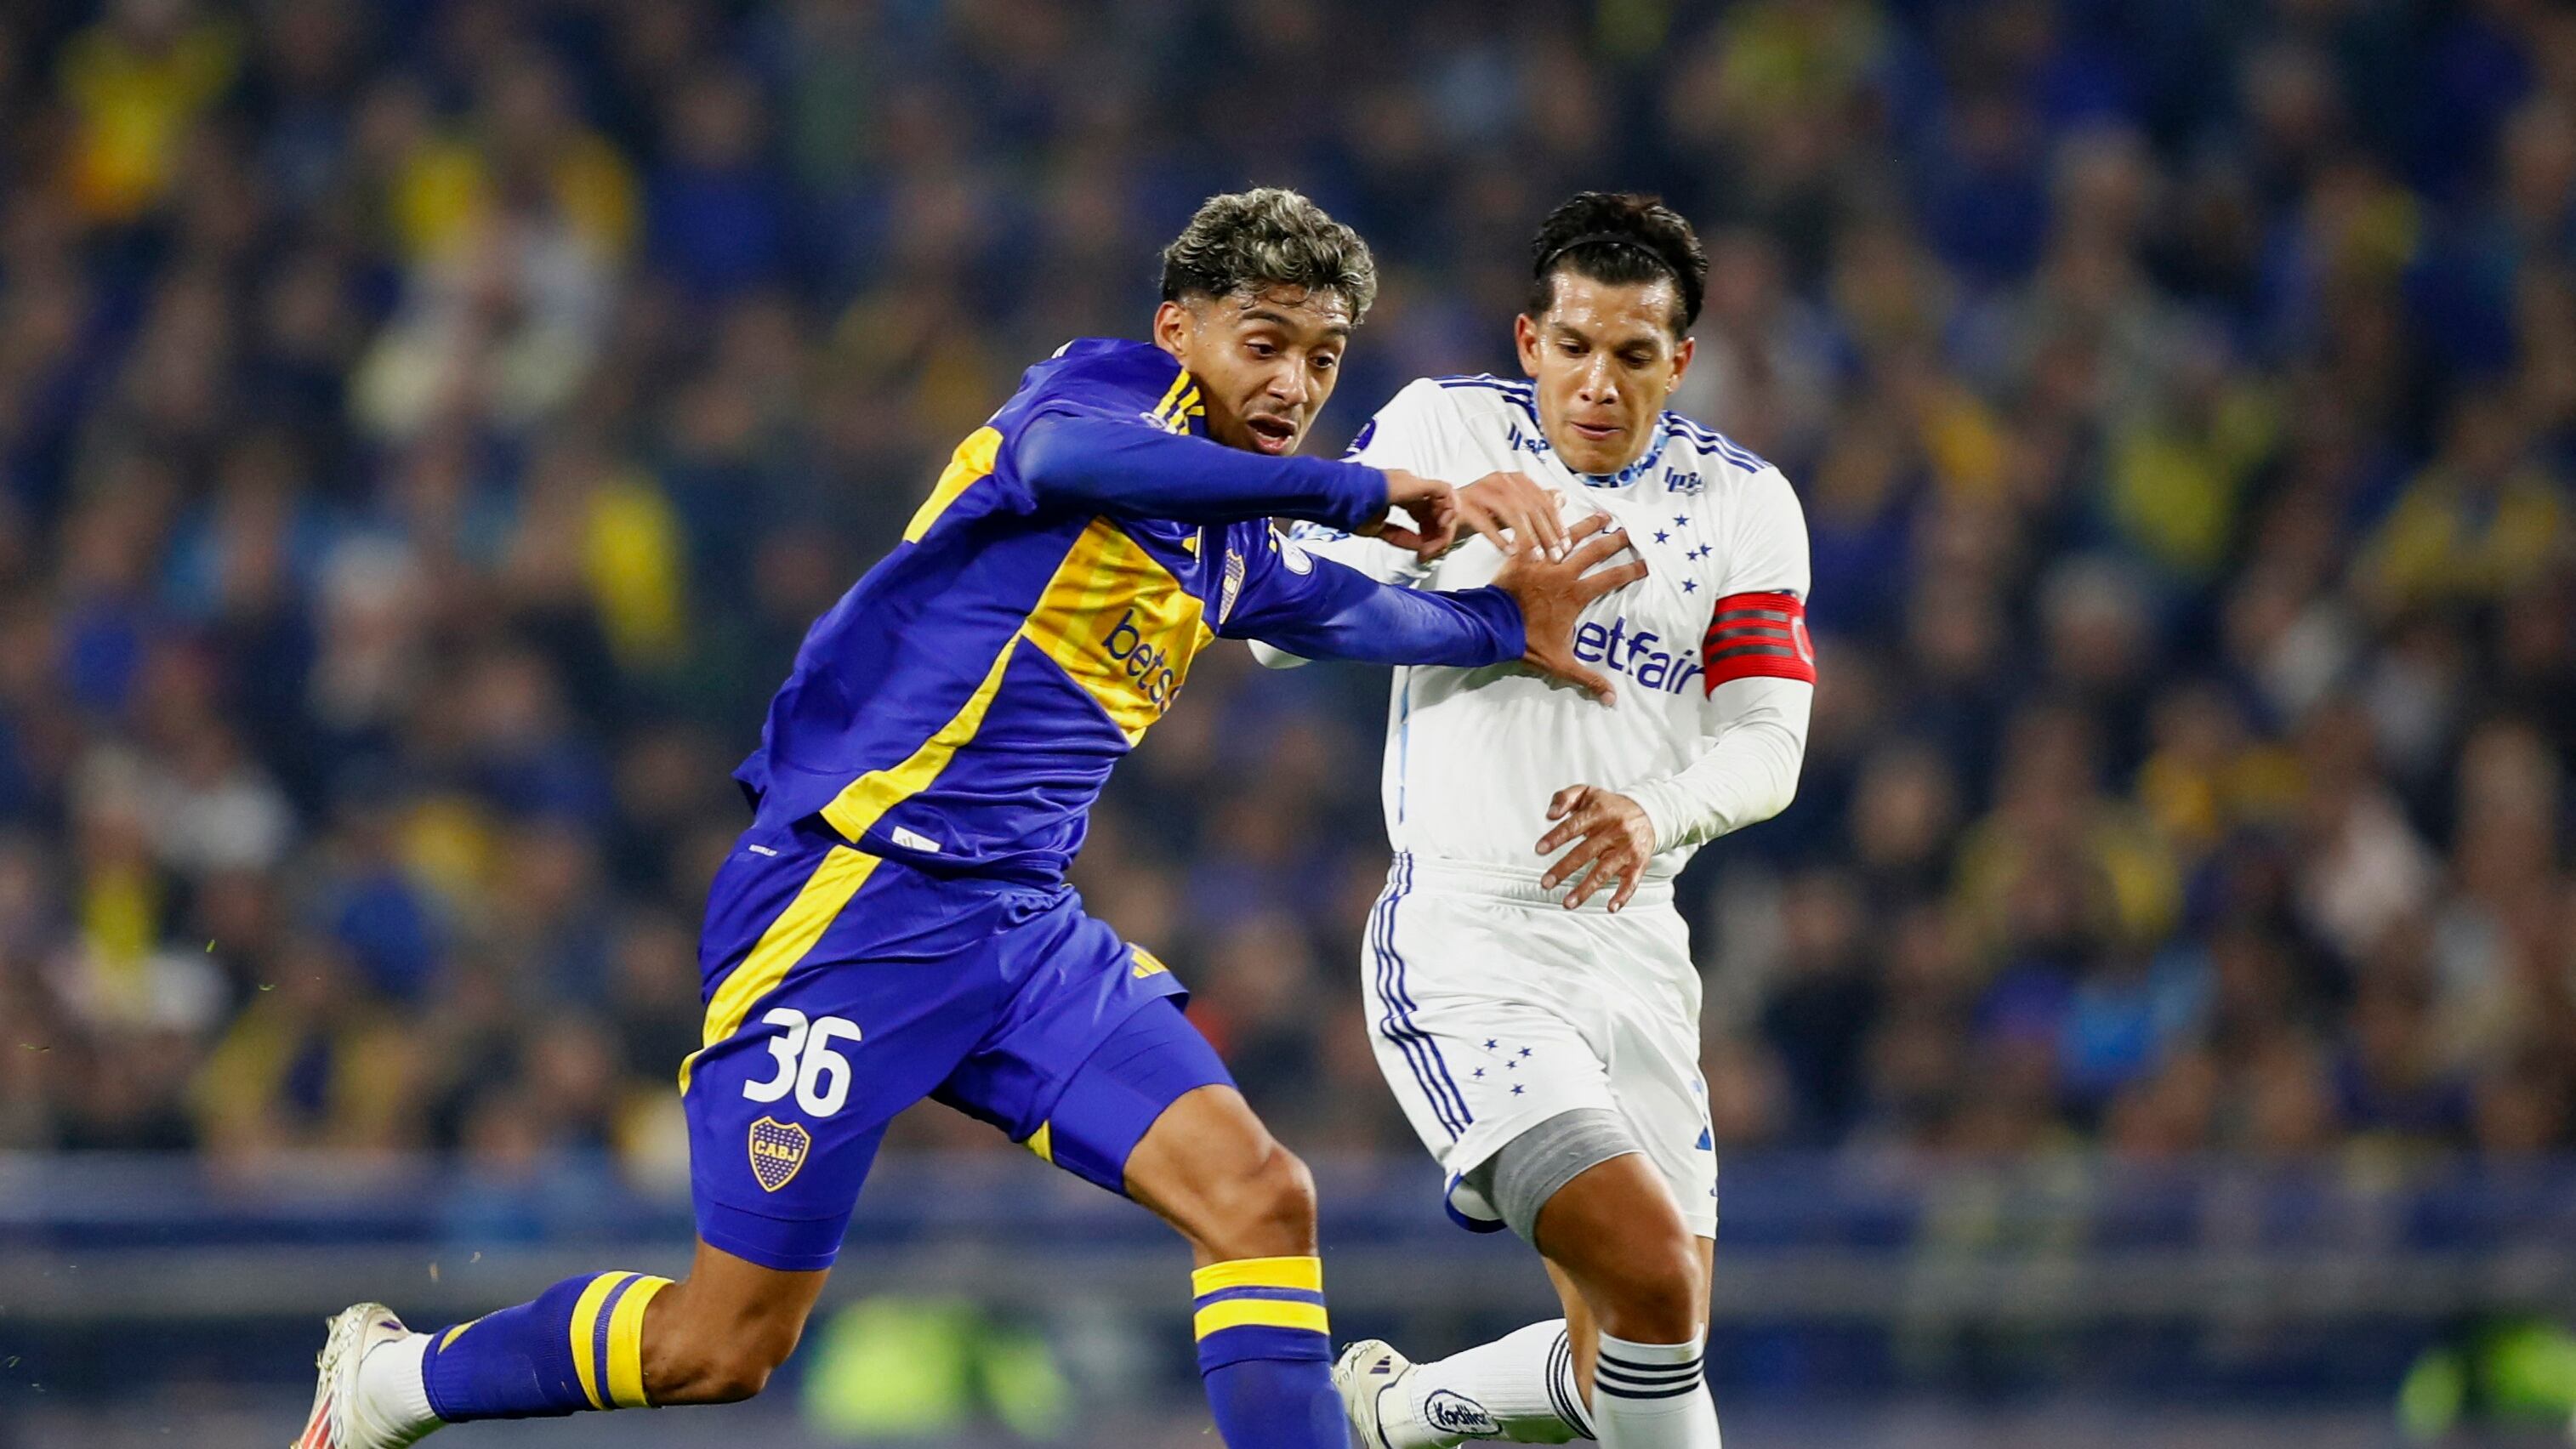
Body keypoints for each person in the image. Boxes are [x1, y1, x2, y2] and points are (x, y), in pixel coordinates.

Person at [294, 187, 1644, 1449]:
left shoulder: (1228, 540)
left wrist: (1502, 627)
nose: (1292, 385)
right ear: (1179, 330)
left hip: (1018, 935)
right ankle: (392, 1385)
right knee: (723, 1346)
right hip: (848, 905)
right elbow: (1064, 459)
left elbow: (1359, 611)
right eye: (1264, 341)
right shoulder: (1106, 395)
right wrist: (1362, 490)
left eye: (1324, 357)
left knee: (1258, 1197)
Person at [1252, 192, 1814, 1449]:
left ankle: (1391, 1414)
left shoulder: (1743, 504)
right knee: (1651, 1278)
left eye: (1631, 355)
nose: (1598, 384)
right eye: (1573, 348)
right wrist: (1431, 529)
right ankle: (1390, 1418)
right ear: (1527, 341)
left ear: (1680, 359)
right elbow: (1275, 624)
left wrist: (1653, 810)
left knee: (1638, 1348)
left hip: (1637, 953)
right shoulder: (1444, 430)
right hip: (1470, 941)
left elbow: (1769, 743)